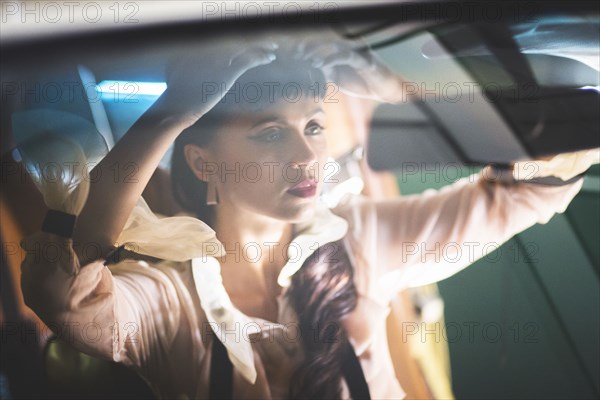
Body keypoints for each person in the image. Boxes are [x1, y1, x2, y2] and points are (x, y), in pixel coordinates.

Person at [19, 36, 592, 399]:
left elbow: (549, 175)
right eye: (271, 133)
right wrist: (166, 115)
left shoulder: (363, 240)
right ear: (202, 161)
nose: (305, 157)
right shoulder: (171, 306)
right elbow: (62, 294)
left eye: (313, 126)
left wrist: (403, 86)